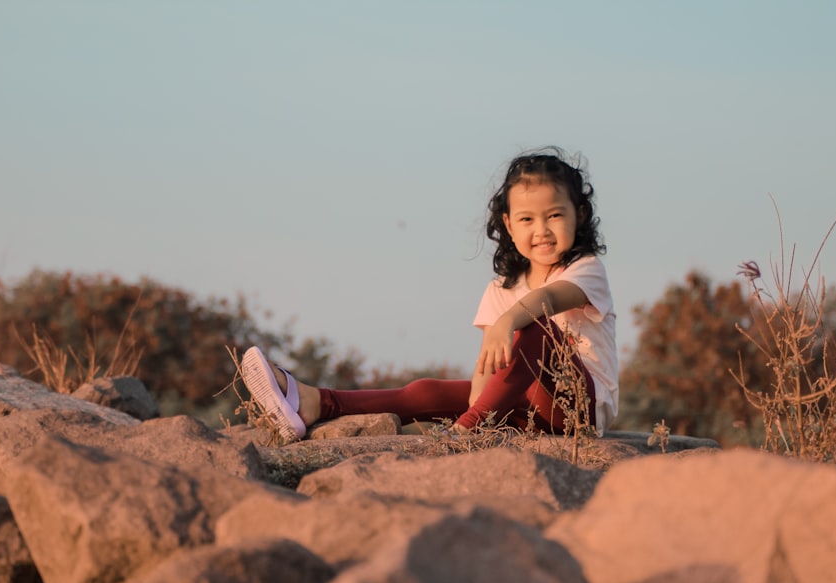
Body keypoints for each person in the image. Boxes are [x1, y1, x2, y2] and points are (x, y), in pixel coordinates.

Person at [241, 147, 617, 445]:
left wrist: (508, 323)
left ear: (578, 215)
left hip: (576, 411)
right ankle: (315, 402)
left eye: (554, 216)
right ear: (508, 224)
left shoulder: (585, 269)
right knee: (427, 391)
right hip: (523, 413)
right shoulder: (502, 289)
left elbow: (549, 300)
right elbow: (489, 368)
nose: (542, 230)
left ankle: (465, 432)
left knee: (536, 329)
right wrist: (477, 404)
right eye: (526, 219)